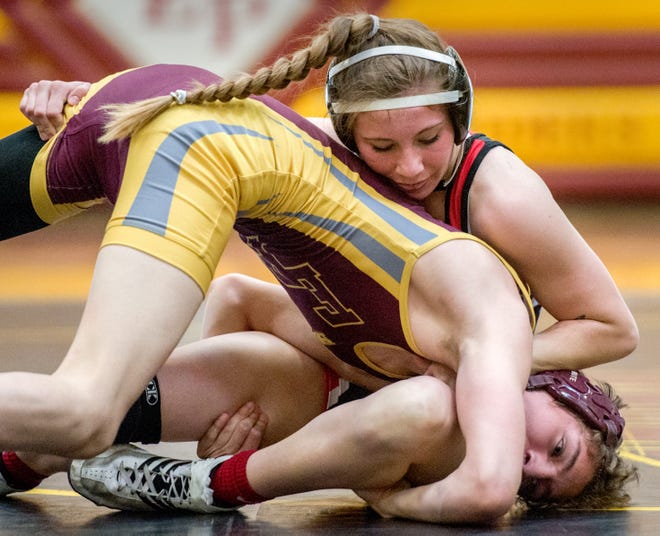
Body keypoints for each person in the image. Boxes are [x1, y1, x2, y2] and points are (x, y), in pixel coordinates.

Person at [21, 14, 638, 374]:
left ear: (461, 117)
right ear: (344, 134)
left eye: (429, 138)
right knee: (235, 297)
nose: (412, 167)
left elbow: (611, 328)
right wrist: (81, 97)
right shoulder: (321, 145)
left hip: (446, 378)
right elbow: (191, 116)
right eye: (382, 149)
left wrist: (481, 363)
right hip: (366, 352)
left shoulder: (500, 194)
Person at [0, 326, 636, 522]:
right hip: (297, 400)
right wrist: (210, 436)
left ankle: (209, 484)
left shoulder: (468, 461)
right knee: (267, 361)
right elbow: (241, 299)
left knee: (424, 407)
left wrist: (394, 500)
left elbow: (462, 494)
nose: (528, 464)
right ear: (562, 388)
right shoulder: (468, 331)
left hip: (315, 453)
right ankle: (32, 456)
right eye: (555, 446)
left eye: (539, 484)